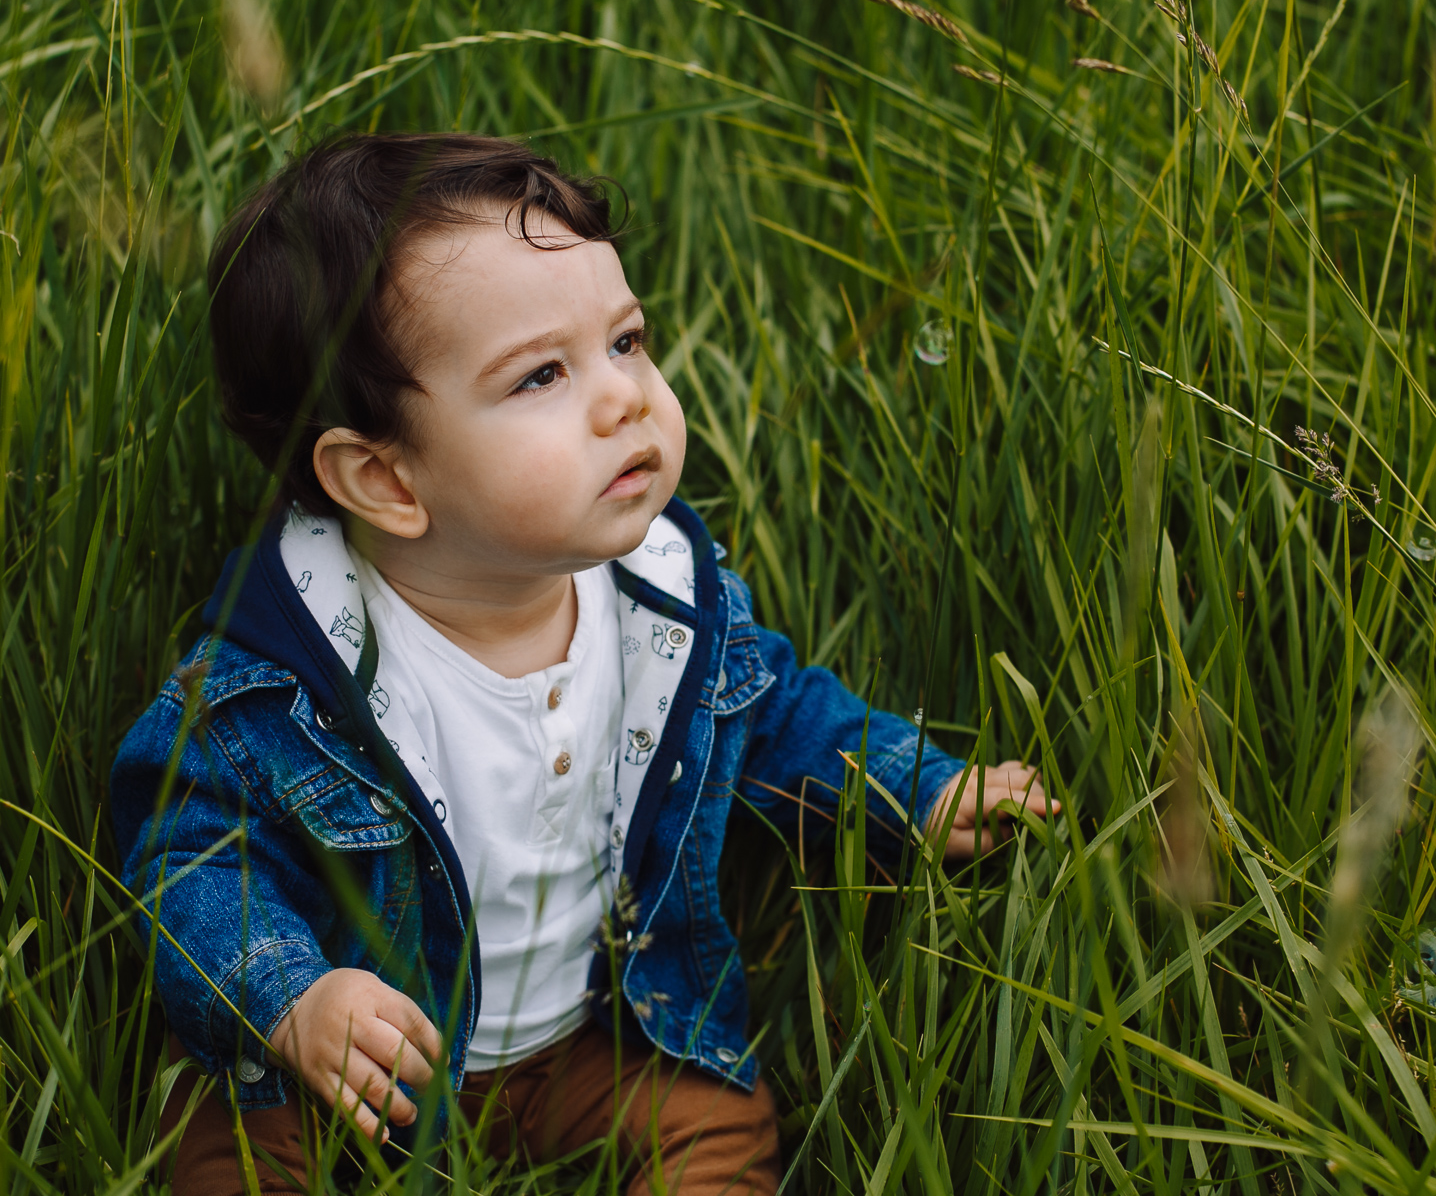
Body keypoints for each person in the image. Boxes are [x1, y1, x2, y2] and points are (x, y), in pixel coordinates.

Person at [110, 133, 1057, 1194]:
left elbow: (778, 719)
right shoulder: (284, 686)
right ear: (384, 478)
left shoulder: (660, 604)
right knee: (237, 1152)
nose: (626, 398)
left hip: (593, 1040)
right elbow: (188, 857)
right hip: (363, 1068)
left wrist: (916, 790)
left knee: (720, 1120)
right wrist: (293, 998)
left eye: (627, 340)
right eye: (543, 375)